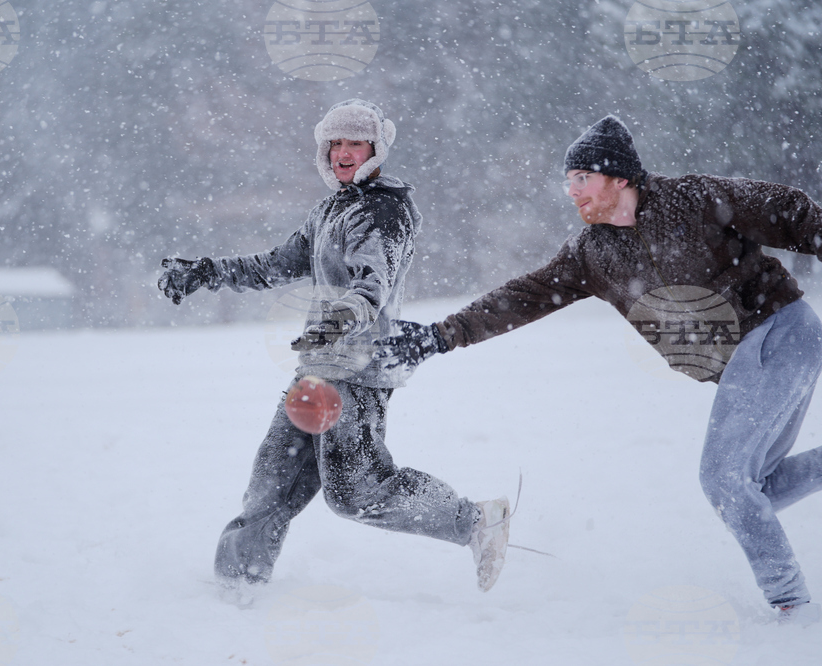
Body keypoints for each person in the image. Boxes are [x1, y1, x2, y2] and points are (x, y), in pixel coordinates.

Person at [376, 114, 822, 624]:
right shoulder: (593, 252)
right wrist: (441, 335)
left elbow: (790, 211)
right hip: (753, 360)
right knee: (750, 489)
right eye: (568, 182)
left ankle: (791, 605)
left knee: (724, 480)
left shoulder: (693, 199)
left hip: (776, 332)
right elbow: (524, 295)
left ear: (619, 176)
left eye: (581, 179)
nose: (572, 192)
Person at [157, 99, 510, 601]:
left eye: (355, 143)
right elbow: (275, 265)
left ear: (375, 148)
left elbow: (373, 285)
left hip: (360, 373)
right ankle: (236, 590)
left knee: (357, 494)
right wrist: (207, 271)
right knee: (271, 485)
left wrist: (342, 317)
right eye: (335, 144)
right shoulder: (331, 208)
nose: (344, 153)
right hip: (319, 370)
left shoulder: (383, 210)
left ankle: (476, 521)